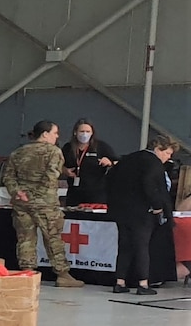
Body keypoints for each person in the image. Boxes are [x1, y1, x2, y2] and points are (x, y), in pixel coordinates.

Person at [2, 121, 84, 287]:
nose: (57, 136)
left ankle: (28, 272)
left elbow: (8, 177)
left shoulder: (18, 153)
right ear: (45, 134)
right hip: (45, 203)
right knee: (52, 237)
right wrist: (36, 196)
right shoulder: (53, 152)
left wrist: (17, 192)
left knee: (25, 238)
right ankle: (62, 274)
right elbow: (51, 176)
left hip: (22, 202)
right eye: (55, 133)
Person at [104, 131, 175, 295]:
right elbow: (149, 184)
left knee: (124, 246)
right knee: (142, 246)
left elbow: (111, 178)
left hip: (121, 211)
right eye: (167, 153)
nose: (167, 158)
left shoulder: (128, 159)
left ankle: (119, 282)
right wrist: (157, 206)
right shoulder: (153, 163)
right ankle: (143, 284)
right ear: (158, 148)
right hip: (142, 212)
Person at [60, 118, 116, 206]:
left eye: (87, 131)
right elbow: (58, 164)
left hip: (96, 193)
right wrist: (64, 170)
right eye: (82, 131)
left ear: (92, 133)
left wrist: (110, 163)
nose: (85, 134)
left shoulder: (100, 146)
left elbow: (119, 162)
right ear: (75, 132)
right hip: (74, 193)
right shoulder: (68, 148)